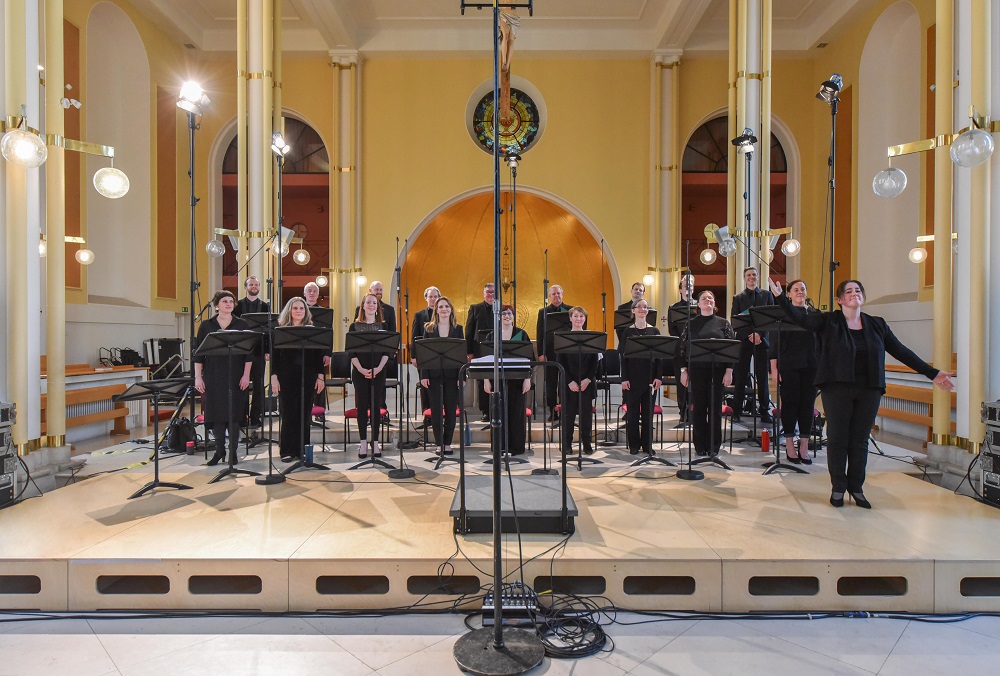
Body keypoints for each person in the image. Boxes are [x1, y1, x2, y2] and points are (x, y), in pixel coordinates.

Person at [769, 277, 954, 509]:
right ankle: (838, 487)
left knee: (859, 440)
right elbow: (800, 319)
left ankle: (856, 487)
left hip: (869, 389)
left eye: (858, 290)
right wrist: (779, 298)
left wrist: (932, 373)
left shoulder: (877, 324)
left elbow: (901, 351)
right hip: (837, 388)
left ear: (863, 297)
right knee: (838, 439)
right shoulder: (829, 321)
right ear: (839, 300)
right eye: (848, 291)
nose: (854, 293)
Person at [194, 290, 253, 466]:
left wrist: (246, 376)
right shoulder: (207, 325)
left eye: (231, 301)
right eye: (225, 301)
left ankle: (233, 452)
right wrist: (198, 377)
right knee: (217, 415)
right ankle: (219, 451)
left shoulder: (241, 324)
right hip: (213, 374)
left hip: (236, 374)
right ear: (217, 304)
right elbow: (198, 354)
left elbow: (248, 354)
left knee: (234, 415)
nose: (229, 304)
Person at [269, 297, 326, 463]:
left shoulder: (312, 330)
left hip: (307, 376)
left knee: (304, 414)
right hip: (286, 377)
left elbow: (318, 356)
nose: (299, 311)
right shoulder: (280, 331)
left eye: (302, 308)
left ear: (306, 311)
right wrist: (274, 377)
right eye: (295, 308)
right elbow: (275, 358)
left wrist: (320, 376)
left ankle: (302, 449)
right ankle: (286, 450)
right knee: (288, 413)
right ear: (289, 310)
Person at [768, 279, 818, 465]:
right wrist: (774, 369)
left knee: (807, 405)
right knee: (790, 404)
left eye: (802, 289)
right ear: (788, 294)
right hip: (788, 365)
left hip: (811, 365)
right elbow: (774, 344)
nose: (800, 292)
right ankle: (789, 444)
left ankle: (803, 445)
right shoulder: (783, 315)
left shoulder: (814, 314)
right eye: (796, 289)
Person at [679, 291, 735, 457]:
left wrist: (729, 371)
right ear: (698, 304)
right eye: (704, 298)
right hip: (697, 370)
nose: (707, 300)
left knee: (715, 409)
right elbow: (682, 349)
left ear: (714, 302)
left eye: (711, 297)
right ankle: (700, 445)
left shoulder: (723, 323)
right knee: (699, 409)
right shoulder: (691, 324)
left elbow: (731, 348)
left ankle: (714, 446)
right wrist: (684, 371)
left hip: (717, 371)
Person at [483, 304, 532, 456]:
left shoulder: (521, 334)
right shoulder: (492, 336)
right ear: (498, 316)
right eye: (504, 313)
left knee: (516, 414)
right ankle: (500, 447)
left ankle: (516, 448)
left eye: (510, 313)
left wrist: (527, 379)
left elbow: (529, 358)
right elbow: (486, 359)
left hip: (517, 381)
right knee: (498, 413)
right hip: (497, 380)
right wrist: (486, 380)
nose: (507, 316)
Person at [419, 296, 464, 455]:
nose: (444, 309)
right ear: (436, 310)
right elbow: (423, 355)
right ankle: (439, 443)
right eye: (441, 307)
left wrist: (462, 377)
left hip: (452, 375)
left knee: (451, 409)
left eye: (447, 306)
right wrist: (424, 375)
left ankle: (448, 443)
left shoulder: (458, 329)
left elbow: (461, 355)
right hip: (433, 375)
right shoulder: (428, 329)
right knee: (436, 410)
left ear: (451, 309)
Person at [348, 293, 390, 459]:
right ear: (363, 306)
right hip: (359, 371)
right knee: (362, 407)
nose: (371, 305)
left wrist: (378, 368)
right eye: (368, 302)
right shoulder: (355, 326)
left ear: (377, 306)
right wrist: (361, 369)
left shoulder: (383, 327)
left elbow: (387, 352)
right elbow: (351, 352)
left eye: (374, 303)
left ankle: (375, 442)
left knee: (375, 406)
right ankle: (363, 442)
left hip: (378, 372)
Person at [619, 299, 663, 455]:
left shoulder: (655, 331)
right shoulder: (627, 332)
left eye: (646, 307)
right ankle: (634, 445)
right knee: (632, 413)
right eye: (640, 307)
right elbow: (623, 357)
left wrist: (659, 377)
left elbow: (659, 358)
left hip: (650, 379)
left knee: (647, 414)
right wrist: (624, 378)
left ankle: (647, 445)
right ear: (633, 311)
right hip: (632, 378)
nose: (643, 309)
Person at [731, 266, 774, 423]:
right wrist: (750, 335)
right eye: (748, 275)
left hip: (761, 340)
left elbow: (770, 319)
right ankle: (736, 411)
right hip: (744, 340)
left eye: (754, 275)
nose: (751, 277)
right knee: (740, 376)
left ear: (758, 277)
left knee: (762, 377)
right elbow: (735, 321)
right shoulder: (738, 298)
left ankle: (764, 411)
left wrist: (759, 335)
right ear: (744, 278)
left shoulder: (767, 295)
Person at [556, 306, 598, 455]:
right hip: (569, 383)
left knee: (586, 416)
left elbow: (595, 363)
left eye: (581, 316)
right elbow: (561, 363)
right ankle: (567, 444)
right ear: (570, 318)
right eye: (576, 316)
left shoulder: (591, 338)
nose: (579, 319)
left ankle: (587, 443)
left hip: (587, 383)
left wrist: (587, 379)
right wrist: (570, 381)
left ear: (584, 319)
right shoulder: (564, 338)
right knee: (568, 415)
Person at [233, 276, 270, 427]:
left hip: (259, 350)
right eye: (251, 284)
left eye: (256, 284)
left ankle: (256, 417)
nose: (254, 286)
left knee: (259, 385)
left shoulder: (265, 306)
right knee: (241, 384)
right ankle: (242, 416)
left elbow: (269, 330)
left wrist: (268, 350)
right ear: (245, 287)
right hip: (242, 350)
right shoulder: (238, 305)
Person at [536, 284, 574, 422]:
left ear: (562, 294)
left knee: (565, 382)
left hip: (567, 352)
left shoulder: (571, 310)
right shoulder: (543, 312)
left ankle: (564, 410)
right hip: (550, 351)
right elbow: (540, 334)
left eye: (558, 293)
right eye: (553, 294)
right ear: (549, 296)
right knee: (551, 383)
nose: (556, 296)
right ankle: (552, 411)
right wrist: (541, 353)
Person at [465, 282, 496, 423]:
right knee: (481, 381)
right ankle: (485, 411)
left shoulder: (501, 308)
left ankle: (497, 409)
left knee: (496, 380)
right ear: (484, 294)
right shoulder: (475, 308)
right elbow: (469, 331)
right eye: (488, 292)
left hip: (497, 351)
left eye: (493, 292)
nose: (491, 294)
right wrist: (469, 351)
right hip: (479, 351)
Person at [668, 275, 696, 425]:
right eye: (686, 285)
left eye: (691, 285)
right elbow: (672, 330)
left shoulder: (699, 306)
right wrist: (683, 343)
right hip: (680, 351)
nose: (688, 288)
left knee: (696, 381)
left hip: (696, 350)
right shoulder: (674, 308)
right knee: (682, 382)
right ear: (680, 289)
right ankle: (682, 412)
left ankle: (693, 412)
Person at [411, 285, 441, 426]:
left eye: (436, 296)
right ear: (426, 298)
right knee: (425, 385)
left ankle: (440, 413)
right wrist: (414, 356)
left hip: (440, 357)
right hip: (423, 357)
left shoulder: (443, 313)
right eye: (431, 296)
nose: (433, 299)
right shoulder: (419, 315)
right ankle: (427, 414)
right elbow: (414, 337)